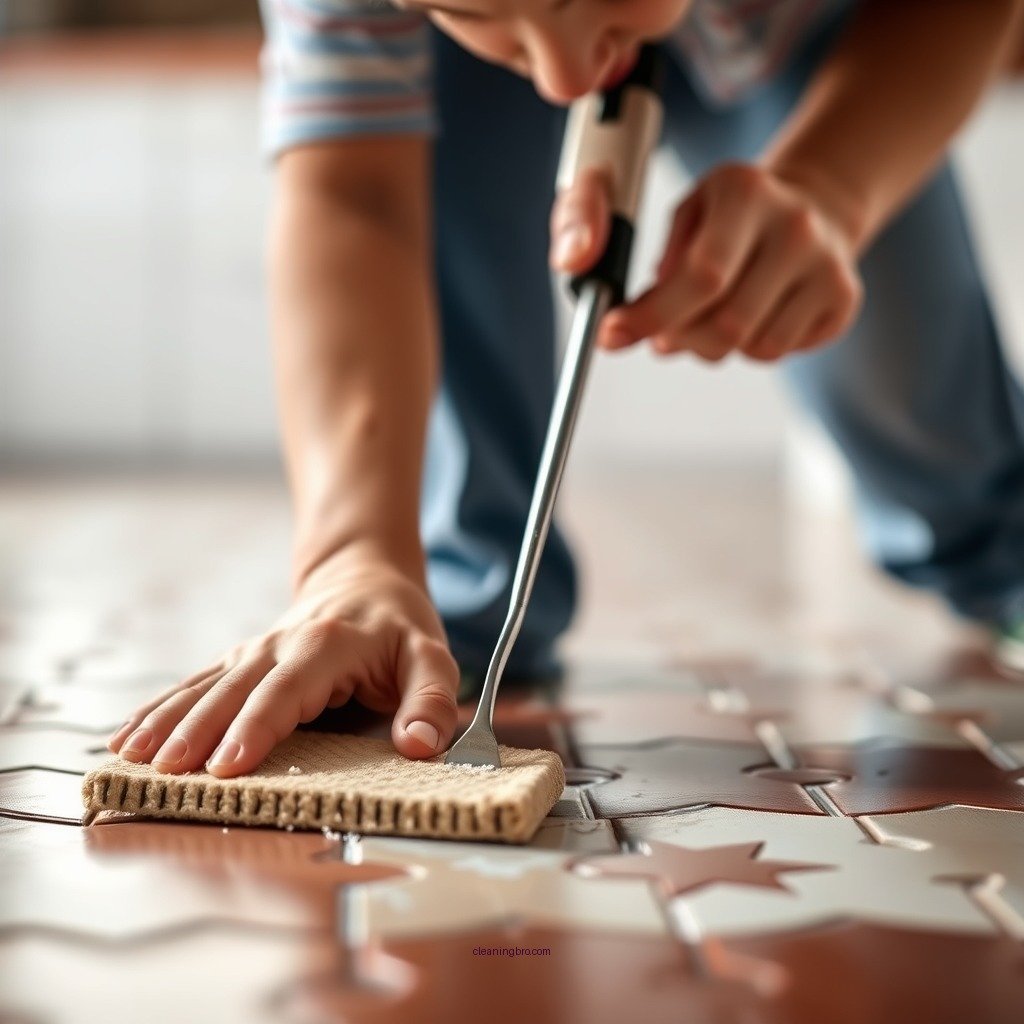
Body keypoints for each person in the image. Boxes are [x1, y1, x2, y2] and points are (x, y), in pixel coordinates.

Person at [107, 0, 1024, 778]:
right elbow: (356, 194)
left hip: (835, 25)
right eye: (475, 7)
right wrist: (350, 553)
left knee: (914, 397)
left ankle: (998, 549)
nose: (561, 76)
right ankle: (436, 618)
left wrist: (830, 189)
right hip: (444, 84)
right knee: (430, 545)